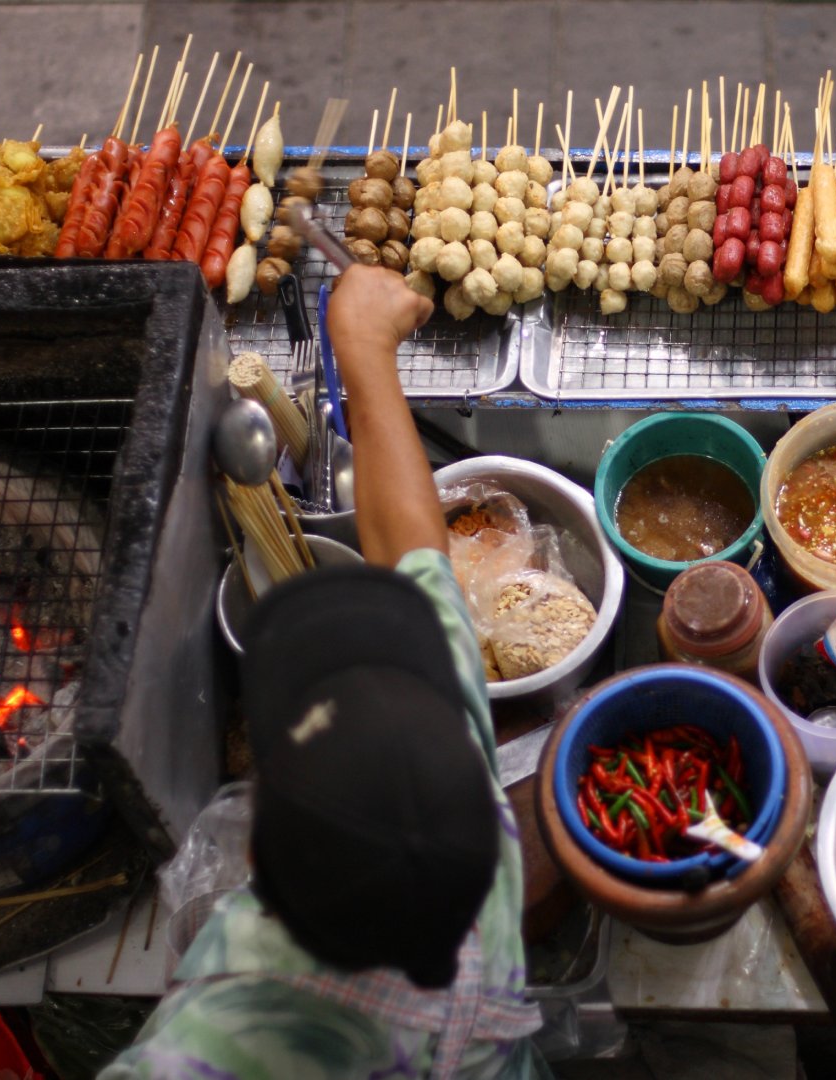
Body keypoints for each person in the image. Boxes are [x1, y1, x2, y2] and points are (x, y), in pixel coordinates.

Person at [101, 266, 547, 1079]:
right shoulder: (474, 836)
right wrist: (366, 349)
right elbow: (419, 552)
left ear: (258, 861)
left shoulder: (200, 1046)